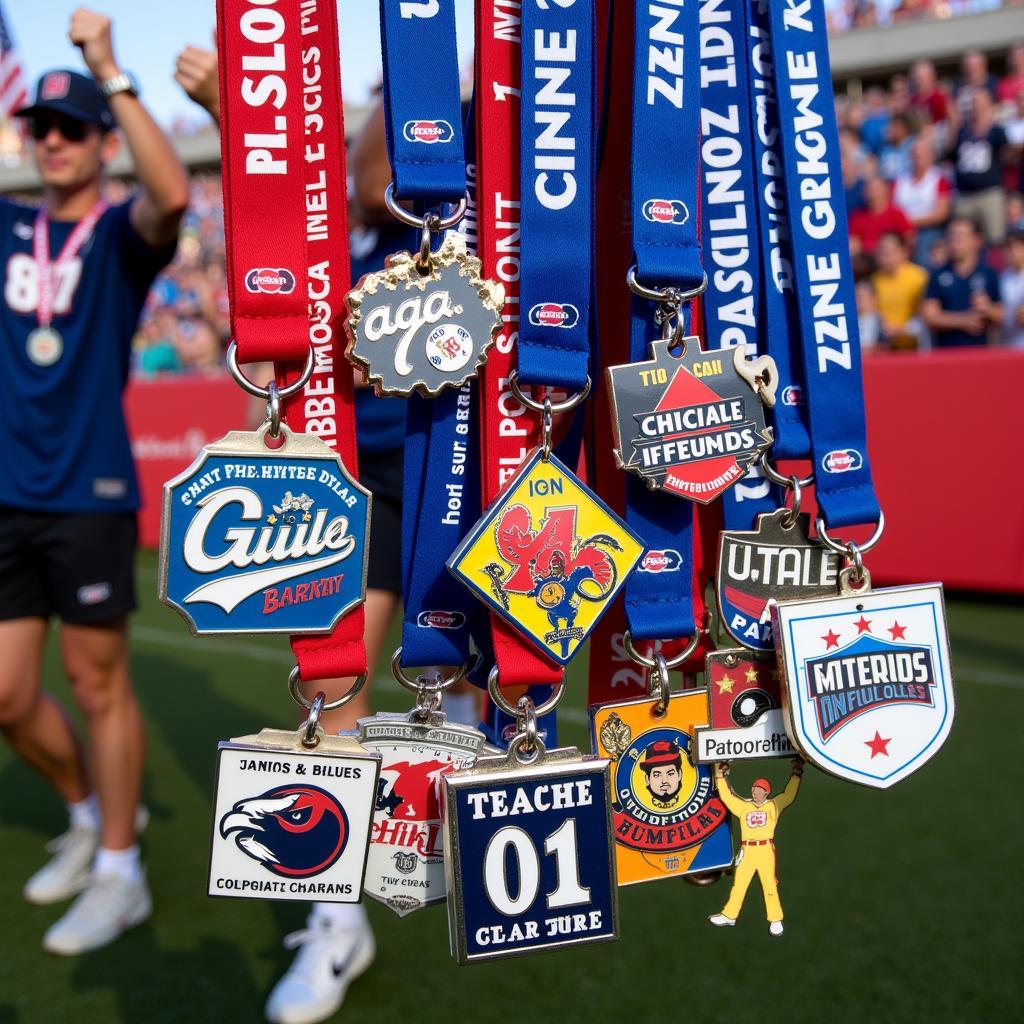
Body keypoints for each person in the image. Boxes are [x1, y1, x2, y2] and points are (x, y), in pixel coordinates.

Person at [176, 50, 479, 1024]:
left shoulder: (501, 222)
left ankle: (468, 832)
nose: (393, 156)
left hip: (475, 465)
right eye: (375, 141)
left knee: (491, 674)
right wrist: (238, 118)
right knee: (327, 682)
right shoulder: (343, 245)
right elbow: (287, 219)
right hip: (373, 476)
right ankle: (333, 914)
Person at [0, 10, 188, 955]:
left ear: (101, 141)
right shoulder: (7, 228)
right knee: (5, 694)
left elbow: (171, 195)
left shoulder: (118, 234)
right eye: (43, 127)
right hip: (6, 493)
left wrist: (106, 69)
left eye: (75, 128)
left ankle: (122, 872)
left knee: (97, 682)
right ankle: (86, 816)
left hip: (90, 489)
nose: (57, 139)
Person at [708, 759, 803, 937]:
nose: (755, 792)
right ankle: (730, 915)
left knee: (769, 885)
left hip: (765, 849)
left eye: (759, 790)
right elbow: (728, 798)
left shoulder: (773, 806)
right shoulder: (744, 807)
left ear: (766, 792)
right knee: (739, 884)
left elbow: (788, 795)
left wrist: (797, 772)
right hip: (748, 850)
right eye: (753, 789)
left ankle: (775, 919)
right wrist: (720, 776)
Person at [921, 216, 1003, 347]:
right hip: (946, 355)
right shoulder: (938, 274)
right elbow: (929, 316)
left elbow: (1002, 315)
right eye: (952, 236)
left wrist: (988, 309)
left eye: (961, 236)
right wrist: (963, 321)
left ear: (977, 240)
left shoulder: (989, 274)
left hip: (980, 354)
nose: (955, 241)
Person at [949, 89, 1011, 245]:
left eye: (979, 103)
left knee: (995, 238)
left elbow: (1007, 156)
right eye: (972, 103)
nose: (975, 107)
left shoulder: (997, 131)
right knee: (962, 240)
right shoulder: (962, 132)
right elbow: (951, 155)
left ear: (988, 105)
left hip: (989, 193)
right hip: (964, 196)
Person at [893, 135, 953, 266]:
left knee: (924, 251)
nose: (918, 158)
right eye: (915, 154)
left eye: (922, 155)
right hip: (903, 229)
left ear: (930, 156)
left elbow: (941, 213)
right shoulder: (901, 178)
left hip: (928, 229)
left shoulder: (938, 178)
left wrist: (909, 223)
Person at [872, 232, 929, 349]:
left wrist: (901, 329)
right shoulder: (875, 279)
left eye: (891, 250)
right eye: (882, 249)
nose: (885, 254)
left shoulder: (919, 277)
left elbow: (925, 317)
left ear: (904, 252)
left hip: (915, 347)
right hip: (885, 347)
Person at [849, 174, 914, 257]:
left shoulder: (897, 213)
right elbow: (852, 241)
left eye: (876, 188)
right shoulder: (857, 216)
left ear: (886, 190)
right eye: (869, 189)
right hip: (866, 260)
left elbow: (909, 238)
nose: (872, 192)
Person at [1000, 228, 1024, 348]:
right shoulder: (1001, 278)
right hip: (1007, 348)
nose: (1012, 251)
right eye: (1008, 247)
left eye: (1017, 247)